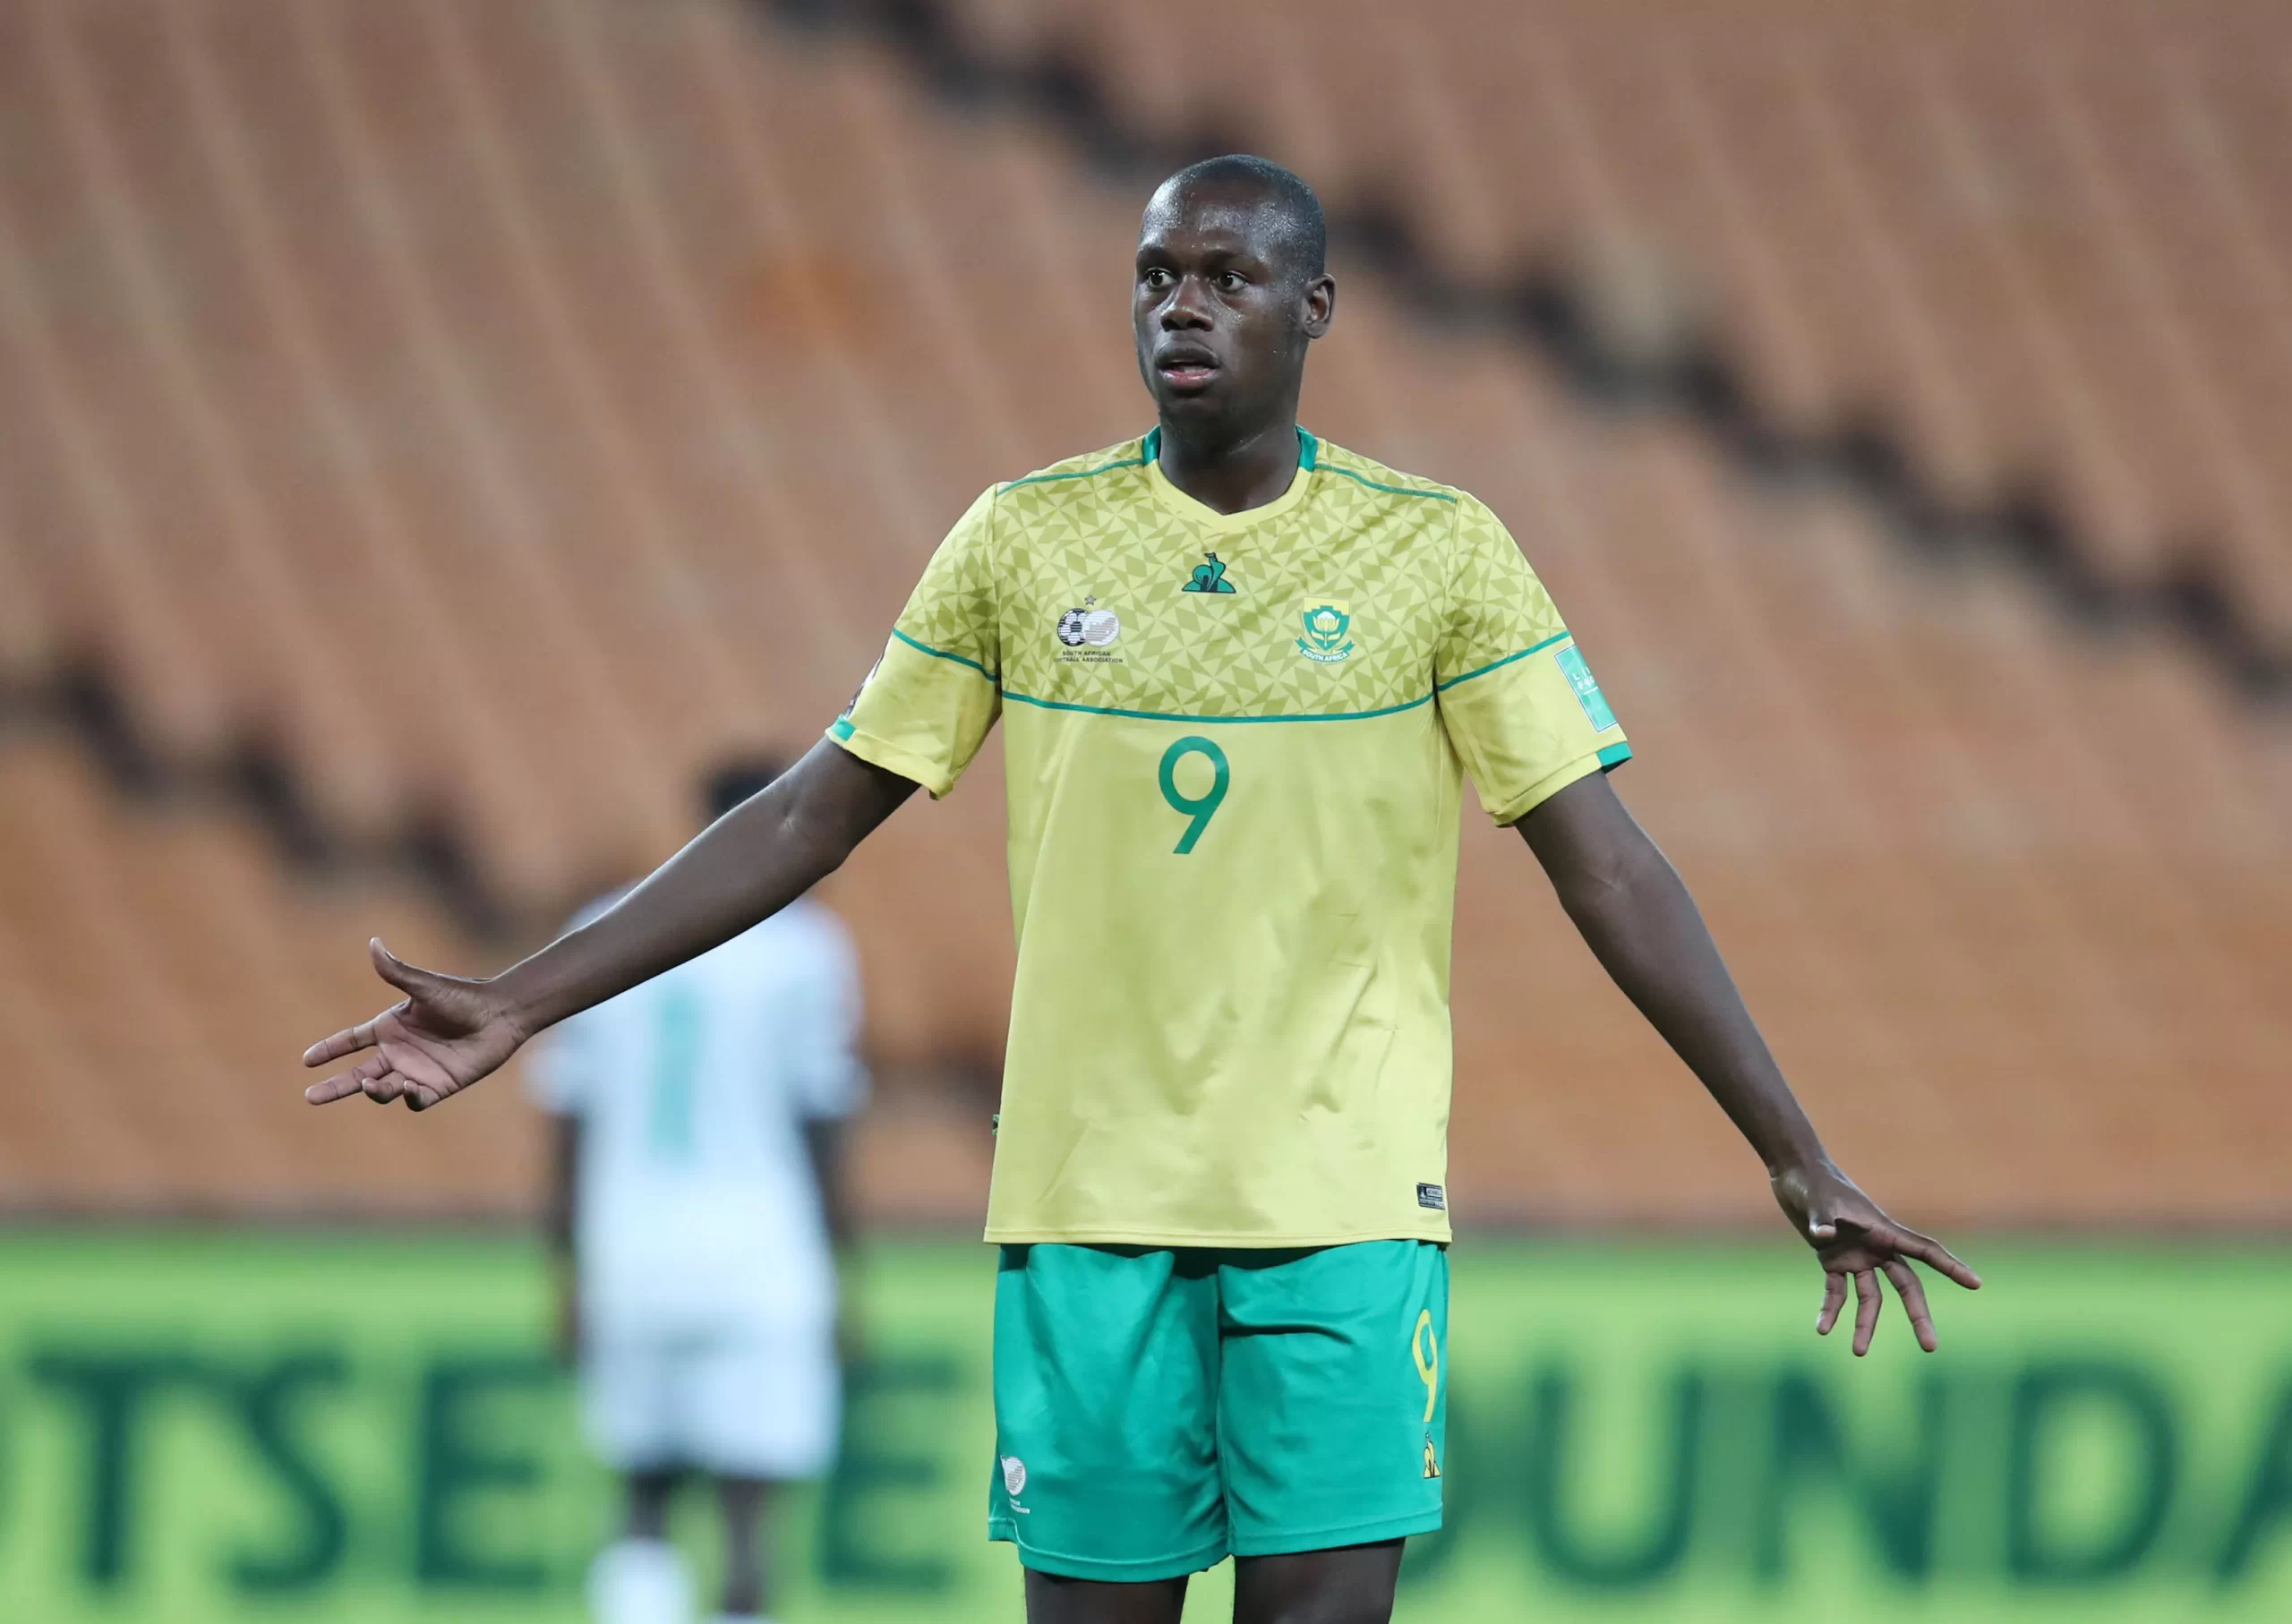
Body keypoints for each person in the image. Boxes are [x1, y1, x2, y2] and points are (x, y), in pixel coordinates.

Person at [304, 154, 1980, 1624]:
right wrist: (519, 998)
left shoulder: (1439, 553)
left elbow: (1607, 861)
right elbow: (813, 811)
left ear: (1314, 308)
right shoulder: (1022, 542)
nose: (1183, 304)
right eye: (1157, 273)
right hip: (1090, 1201)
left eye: (1229, 276)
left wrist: (1792, 1146)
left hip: (1340, 1204)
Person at [532, 759, 865, 1624]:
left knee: (642, 1491)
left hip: (629, 1249)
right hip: (761, 1253)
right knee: (748, 1511)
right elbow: (822, 1123)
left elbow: (567, 1119)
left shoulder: (602, 927)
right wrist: (847, 1276)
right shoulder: (804, 949)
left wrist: (565, 1266)